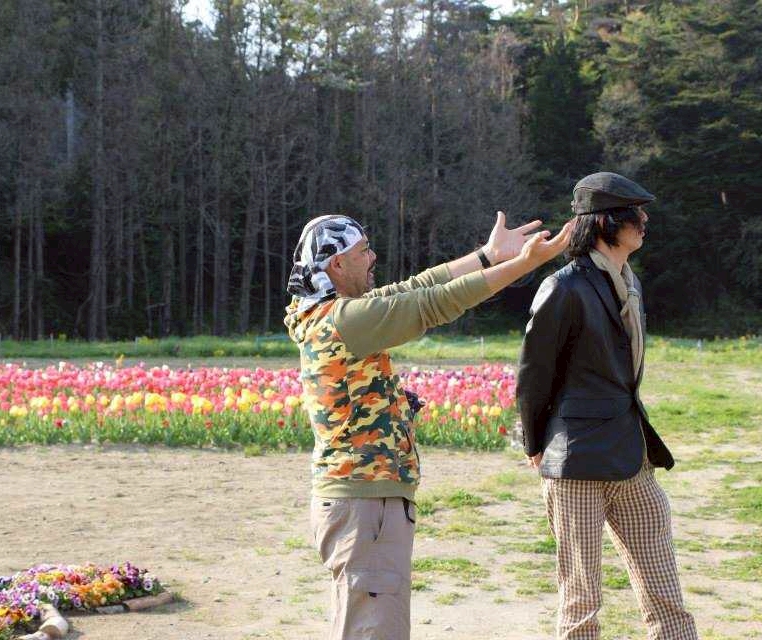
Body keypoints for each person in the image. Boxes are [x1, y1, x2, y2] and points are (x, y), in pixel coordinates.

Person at [284, 211, 571, 640]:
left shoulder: (330, 314)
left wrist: (487, 256)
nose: (373, 258)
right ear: (337, 264)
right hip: (365, 501)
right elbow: (432, 303)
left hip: (363, 502)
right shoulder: (346, 320)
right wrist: (524, 264)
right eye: (363, 251)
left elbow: (415, 287)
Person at [516, 172, 698, 640]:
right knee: (581, 602)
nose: (645, 221)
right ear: (605, 222)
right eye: (635, 213)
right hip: (574, 461)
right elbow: (534, 373)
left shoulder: (629, 283)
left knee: (665, 593)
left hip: (631, 454)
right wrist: (534, 443)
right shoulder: (563, 288)